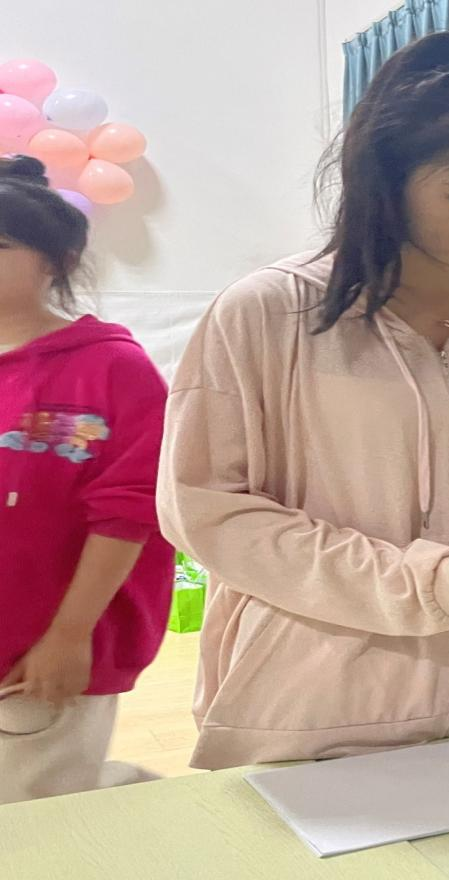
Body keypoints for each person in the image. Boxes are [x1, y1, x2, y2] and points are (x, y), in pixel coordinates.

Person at [157, 33, 449, 769]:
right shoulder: (271, 313)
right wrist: (432, 584)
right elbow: (208, 507)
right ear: (388, 177)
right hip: (318, 698)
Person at [0, 156, 171, 803]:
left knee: (36, 810)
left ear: (58, 261)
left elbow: (129, 511)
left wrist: (68, 636)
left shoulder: (112, 369)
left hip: (42, 649)